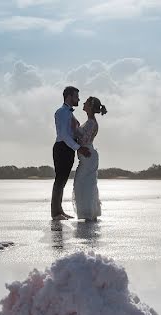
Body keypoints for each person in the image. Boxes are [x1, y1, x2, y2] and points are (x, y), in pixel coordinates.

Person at [51, 86, 91, 221]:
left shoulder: (69, 113)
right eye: (76, 96)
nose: (78, 99)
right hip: (62, 147)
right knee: (60, 180)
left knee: (62, 181)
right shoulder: (62, 112)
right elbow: (63, 135)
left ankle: (59, 210)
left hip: (68, 148)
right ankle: (55, 213)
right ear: (69, 96)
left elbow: (72, 132)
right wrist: (78, 148)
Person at [72, 96, 106, 221]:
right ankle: (89, 213)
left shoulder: (92, 122)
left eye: (86, 102)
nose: (83, 103)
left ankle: (89, 214)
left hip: (88, 156)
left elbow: (84, 139)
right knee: (85, 184)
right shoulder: (90, 121)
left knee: (84, 185)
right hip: (87, 156)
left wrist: (74, 128)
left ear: (90, 106)